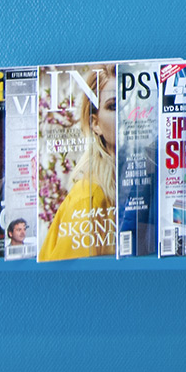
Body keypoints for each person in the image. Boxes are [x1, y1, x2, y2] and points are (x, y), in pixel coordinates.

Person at [39, 64, 117, 261]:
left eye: (131, 103)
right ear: (95, 124)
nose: (126, 115)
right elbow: (72, 278)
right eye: (114, 106)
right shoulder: (88, 198)